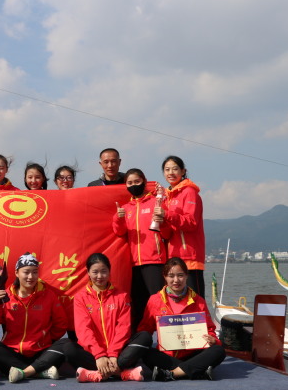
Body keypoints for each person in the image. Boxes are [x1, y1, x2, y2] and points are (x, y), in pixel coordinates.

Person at [132, 257, 225, 381]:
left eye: (180, 275)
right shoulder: (155, 300)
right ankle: (197, 371)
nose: (176, 280)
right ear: (164, 277)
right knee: (147, 353)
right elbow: (145, 330)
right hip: (167, 356)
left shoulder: (198, 301)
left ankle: (172, 374)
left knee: (219, 350)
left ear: (186, 276)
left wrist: (213, 339)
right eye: (171, 276)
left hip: (193, 354)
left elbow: (210, 329)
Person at [0, 252, 68, 383]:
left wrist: (45, 339)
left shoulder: (48, 295)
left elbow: (61, 324)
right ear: (17, 273)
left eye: (35, 272)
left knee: (66, 344)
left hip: (41, 352)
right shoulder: (5, 295)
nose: (31, 277)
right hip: (13, 354)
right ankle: (38, 372)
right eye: (26, 272)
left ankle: (23, 372)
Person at [63, 253, 146, 382]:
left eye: (104, 271)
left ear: (109, 271)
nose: (100, 276)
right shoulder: (80, 298)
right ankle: (123, 373)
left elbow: (124, 328)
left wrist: (113, 354)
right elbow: (83, 330)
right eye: (95, 272)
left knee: (144, 337)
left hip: (118, 354)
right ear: (88, 272)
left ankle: (96, 374)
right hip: (93, 355)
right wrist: (99, 355)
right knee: (68, 348)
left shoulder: (122, 296)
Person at [112, 168, 169, 331]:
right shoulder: (125, 208)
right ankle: (139, 339)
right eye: (129, 183)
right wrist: (118, 218)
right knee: (137, 304)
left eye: (137, 181)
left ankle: (165, 338)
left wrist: (163, 220)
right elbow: (119, 232)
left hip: (154, 261)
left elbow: (167, 233)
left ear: (144, 181)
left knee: (159, 302)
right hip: (133, 263)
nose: (133, 185)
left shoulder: (156, 202)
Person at [155, 156, 206, 297]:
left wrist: (166, 214)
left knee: (195, 302)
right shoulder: (165, 197)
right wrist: (161, 222)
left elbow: (191, 223)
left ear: (183, 171)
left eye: (175, 169)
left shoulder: (190, 192)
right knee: (176, 302)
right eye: (167, 170)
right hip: (172, 259)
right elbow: (166, 234)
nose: (170, 172)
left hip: (190, 257)